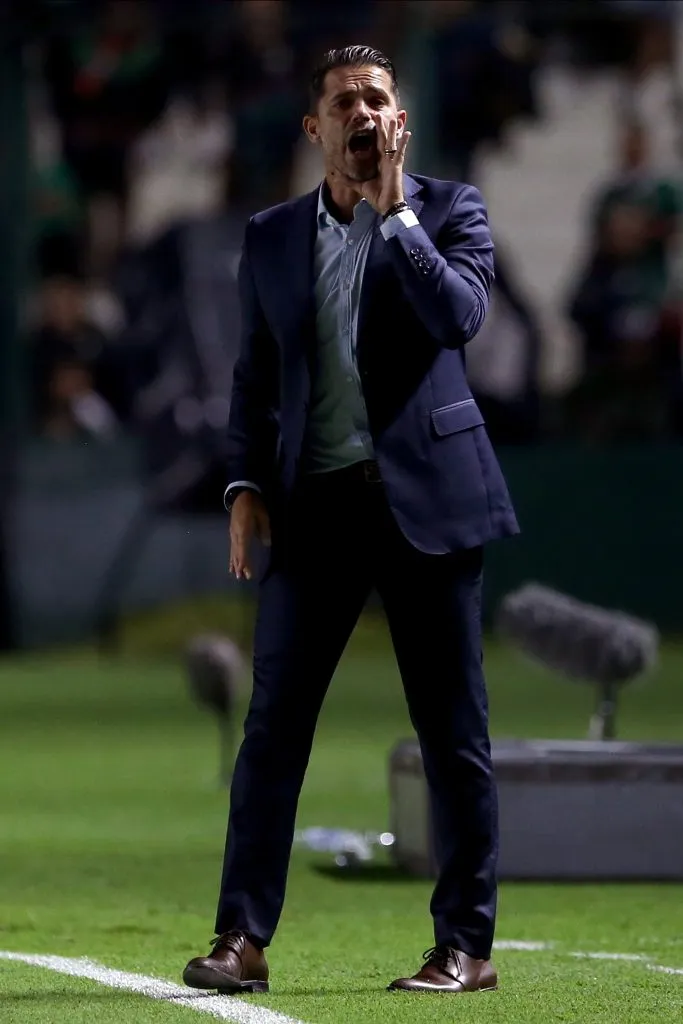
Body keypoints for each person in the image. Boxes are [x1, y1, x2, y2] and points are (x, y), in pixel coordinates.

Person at [183, 44, 518, 997]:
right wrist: (243, 486)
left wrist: (395, 212)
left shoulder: (452, 211)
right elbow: (255, 374)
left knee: (452, 734)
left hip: (428, 504)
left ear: (399, 120)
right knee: (272, 731)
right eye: (344, 102)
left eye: (377, 99)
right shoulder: (272, 236)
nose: (363, 113)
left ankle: (465, 947)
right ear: (314, 127)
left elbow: (456, 318)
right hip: (316, 509)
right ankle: (241, 938)